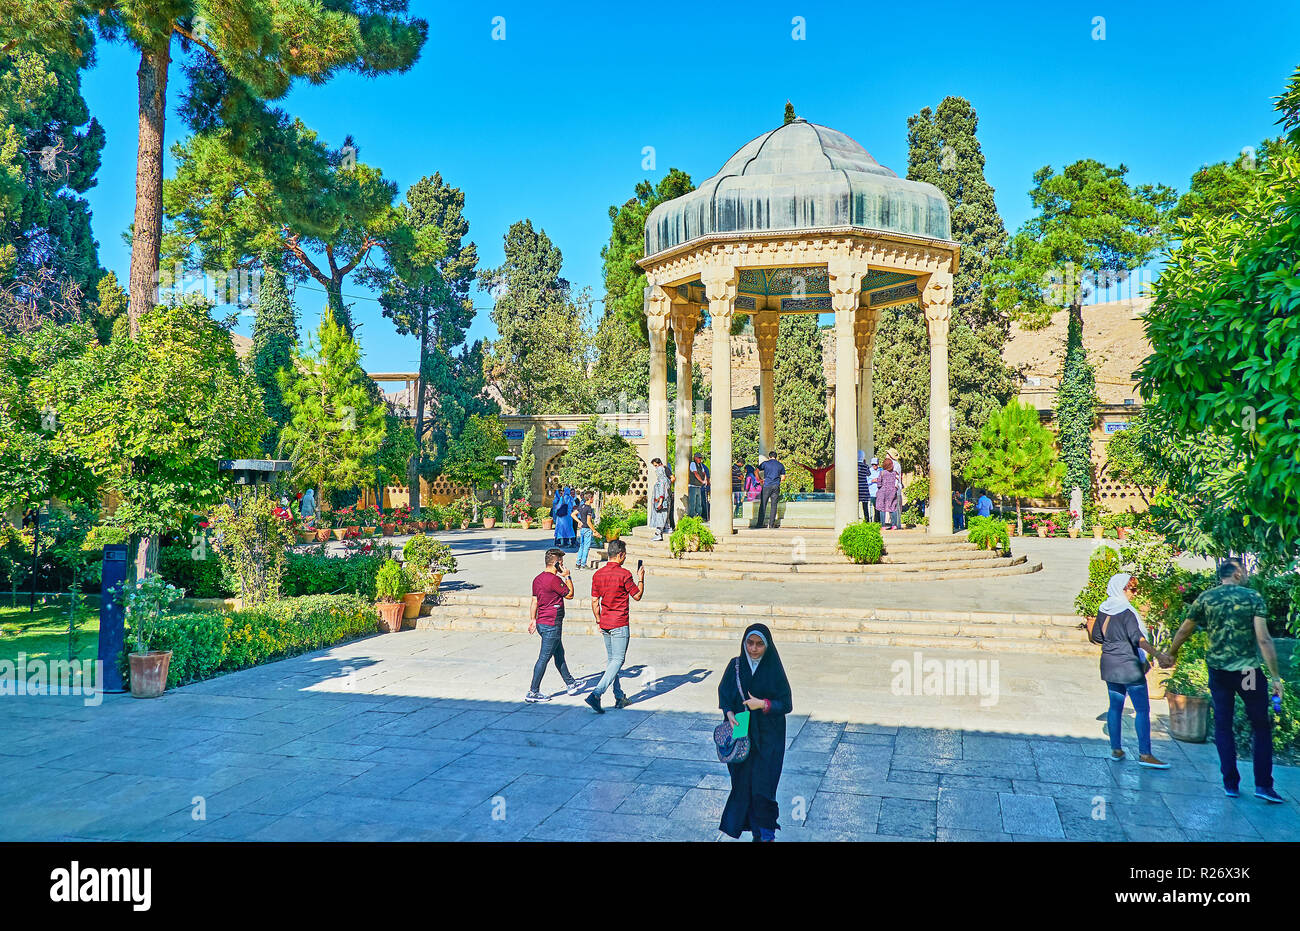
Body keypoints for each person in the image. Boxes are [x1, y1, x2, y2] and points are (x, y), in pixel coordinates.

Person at [1168, 559, 1285, 802]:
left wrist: (1171, 652)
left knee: (1223, 725)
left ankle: (1230, 783)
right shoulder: (1253, 597)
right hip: (1248, 674)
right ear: (1238, 573)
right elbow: (1264, 639)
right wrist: (1275, 677)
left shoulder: (1206, 598)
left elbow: (1184, 629)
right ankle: (1263, 785)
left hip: (1219, 672)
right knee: (1260, 726)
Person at [718, 623, 793, 842]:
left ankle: (765, 834)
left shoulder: (773, 669)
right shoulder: (736, 666)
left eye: (760, 644)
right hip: (742, 732)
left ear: (767, 646)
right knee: (743, 785)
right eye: (750, 643)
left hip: (769, 737)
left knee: (764, 787)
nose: (754, 649)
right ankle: (754, 831)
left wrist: (763, 704)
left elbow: (786, 704)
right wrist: (729, 712)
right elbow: (725, 693)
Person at [1089, 573, 1172, 768]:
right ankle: (1145, 754)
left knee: (1115, 706)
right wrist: (1158, 655)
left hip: (1109, 663)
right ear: (1122, 589)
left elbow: (1096, 637)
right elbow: (1138, 639)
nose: (1135, 593)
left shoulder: (1104, 609)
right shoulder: (1126, 611)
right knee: (1142, 709)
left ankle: (1116, 749)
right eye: (1132, 589)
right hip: (1129, 665)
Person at [586, 539, 644, 713]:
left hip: (605, 622)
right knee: (618, 660)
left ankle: (619, 696)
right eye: (624, 555)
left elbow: (595, 601)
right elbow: (637, 595)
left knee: (613, 662)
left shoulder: (597, 574)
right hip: (619, 622)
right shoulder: (624, 574)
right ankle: (596, 694)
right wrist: (641, 579)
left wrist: (598, 619)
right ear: (620, 555)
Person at [525, 548, 581, 702]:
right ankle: (533, 692)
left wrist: (532, 619)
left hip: (542, 623)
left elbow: (534, 601)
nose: (563, 565)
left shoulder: (537, 579)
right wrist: (567, 576)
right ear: (557, 564)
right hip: (552, 624)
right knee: (544, 658)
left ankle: (570, 683)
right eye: (561, 562)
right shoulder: (554, 580)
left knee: (559, 654)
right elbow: (570, 594)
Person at [756, 451, 785, 529]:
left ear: (769, 457)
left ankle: (759, 524)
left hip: (767, 485)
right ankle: (771, 525)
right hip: (776, 486)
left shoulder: (765, 463)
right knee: (774, 505)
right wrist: (778, 481)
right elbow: (783, 478)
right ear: (776, 457)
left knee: (763, 505)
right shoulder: (780, 465)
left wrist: (760, 480)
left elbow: (756, 471)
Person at [876, 456, 901, 531]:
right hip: (892, 492)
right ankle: (894, 525)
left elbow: (879, 483)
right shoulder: (895, 473)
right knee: (893, 508)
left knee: (882, 508)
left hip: (882, 492)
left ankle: (883, 526)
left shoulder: (882, 473)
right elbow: (897, 482)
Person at [648, 458, 670, 542]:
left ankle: (658, 534)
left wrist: (660, 503)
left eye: (656, 467)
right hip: (663, 501)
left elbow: (662, 493)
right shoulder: (666, 481)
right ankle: (667, 528)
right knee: (664, 516)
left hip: (661, 502)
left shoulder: (662, 481)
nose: (656, 470)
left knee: (660, 518)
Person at [574, 492, 597, 569]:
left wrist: (579, 521)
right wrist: (594, 531)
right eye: (593, 497)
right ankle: (583, 565)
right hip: (587, 529)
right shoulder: (589, 508)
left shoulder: (581, 506)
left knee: (581, 546)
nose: (593, 499)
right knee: (586, 547)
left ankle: (578, 564)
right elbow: (588, 521)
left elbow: (573, 514)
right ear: (590, 498)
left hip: (582, 529)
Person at [689, 452, 710, 520]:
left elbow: (704, 473)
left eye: (701, 458)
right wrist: (702, 481)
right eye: (699, 458)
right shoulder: (693, 464)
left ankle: (699, 517)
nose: (700, 459)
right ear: (695, 458)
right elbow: (695, 473)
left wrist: (705, 479)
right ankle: (692, 517)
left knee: (699, 503)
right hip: (693, 486)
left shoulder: (700, 465)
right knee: (693, 502)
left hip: (698, 486)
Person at [887, 448, 904, 530]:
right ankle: (893, 523)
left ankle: (897, 524)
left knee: (896, 507)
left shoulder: (895, 465)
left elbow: (896, 477)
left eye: (887, 454)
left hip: (895, 489)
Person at [857, 451, 872, 522]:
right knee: (865, 507)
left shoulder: (854, 465)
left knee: (855, 506)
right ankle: (867, 521)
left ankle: (855, 519)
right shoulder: (865, 466)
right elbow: (869, 474)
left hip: (857, 488)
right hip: (864, 488)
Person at [868, 457, 882, 523]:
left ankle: (877, 521)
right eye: (873, 464)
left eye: (875, 464)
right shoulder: (869, 471)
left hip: (879, 492)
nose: (874, 466)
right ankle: (871, 521)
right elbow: (866, 481)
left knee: (878, 508)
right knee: (872, 508)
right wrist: (872, 480)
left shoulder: (881, 470)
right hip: (872, 493)